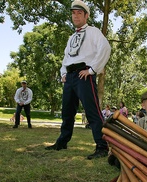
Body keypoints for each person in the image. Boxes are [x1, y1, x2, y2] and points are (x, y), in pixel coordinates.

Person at [45, 0, 111, 161]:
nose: (75, 16)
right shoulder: (71, 37)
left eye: (79, 13)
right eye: (73, 13)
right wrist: (63, 73)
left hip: (84, 75)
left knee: (92, 112)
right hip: (70, 77)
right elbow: (66, 57)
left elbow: (105, 47)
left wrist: (92, 70)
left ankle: (102, 146)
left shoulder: (93, 31)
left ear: (86, 15)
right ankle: (62, 142)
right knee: (67, 112)